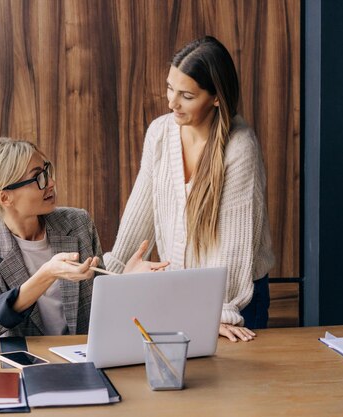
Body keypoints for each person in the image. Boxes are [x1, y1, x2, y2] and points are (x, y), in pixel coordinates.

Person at [103, 36, 275, 342]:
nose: (172, 103)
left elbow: (232, 246)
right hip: (178, 294)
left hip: (234, 301)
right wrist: (115, 277)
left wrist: (219, 312)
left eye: (186, 95)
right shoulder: (160, 131)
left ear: (216, 97)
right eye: (170, 88)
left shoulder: (239, 147)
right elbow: (140, 212)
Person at [0, 138, 164, 339]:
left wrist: (127, 279)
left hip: (81, 357)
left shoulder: (77, 223)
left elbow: (100, 306)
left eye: (46, 171)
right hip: (24, 364)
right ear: (4, 197)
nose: (51, 183)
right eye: (38, 178)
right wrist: (47, 274)